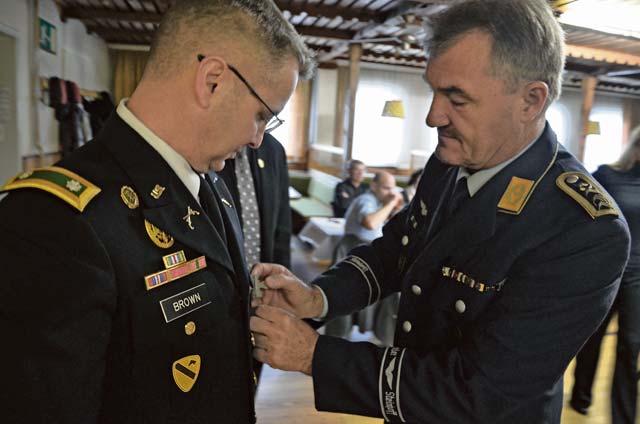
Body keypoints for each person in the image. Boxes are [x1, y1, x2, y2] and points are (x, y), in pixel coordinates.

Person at [248, 1, 630, 422]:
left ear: (531, 101)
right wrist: (320, 297)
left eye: (457, 99)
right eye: (433, 90)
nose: (433, 116)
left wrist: (316, 357)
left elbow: (480, 393)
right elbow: (401, 247)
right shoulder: (452, 160)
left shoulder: (582, 229)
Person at [0, 1, 314, 422]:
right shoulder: (54, 221)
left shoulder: (209, 184)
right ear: (213, 81)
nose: (259, 140)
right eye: (262, 115)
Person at [570, 125, 640, 423]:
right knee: (592, 337)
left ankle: (623, 417)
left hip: (638, 279)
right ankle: (580, 395)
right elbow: (583, 218)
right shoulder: (607, 176)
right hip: (607, 272)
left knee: (631, 345)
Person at [218, 132, 292, 385]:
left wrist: (283, 281)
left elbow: (282, 224)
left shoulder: (272, 150)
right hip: (219, 290)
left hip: (263, 289)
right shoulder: (209, 144)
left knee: (254, 368)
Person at [324, 171, 403, 339]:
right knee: (343, 299)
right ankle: (335, 343)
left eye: (393, 189)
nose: (391, 192)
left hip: (365, 252)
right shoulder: (365, 200)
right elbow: (369, 223)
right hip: (351, 251)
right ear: (374, 186)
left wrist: (392, 208)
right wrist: (391, 203)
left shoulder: (377, 201)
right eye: (386, 188)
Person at [218, 133, 292, 270]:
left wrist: (284, 272)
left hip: (266, 274)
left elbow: (282, 222)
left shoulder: (274, 149)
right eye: (257, 117)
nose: (257, 141)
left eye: (265, 119)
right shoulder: (209, 151)